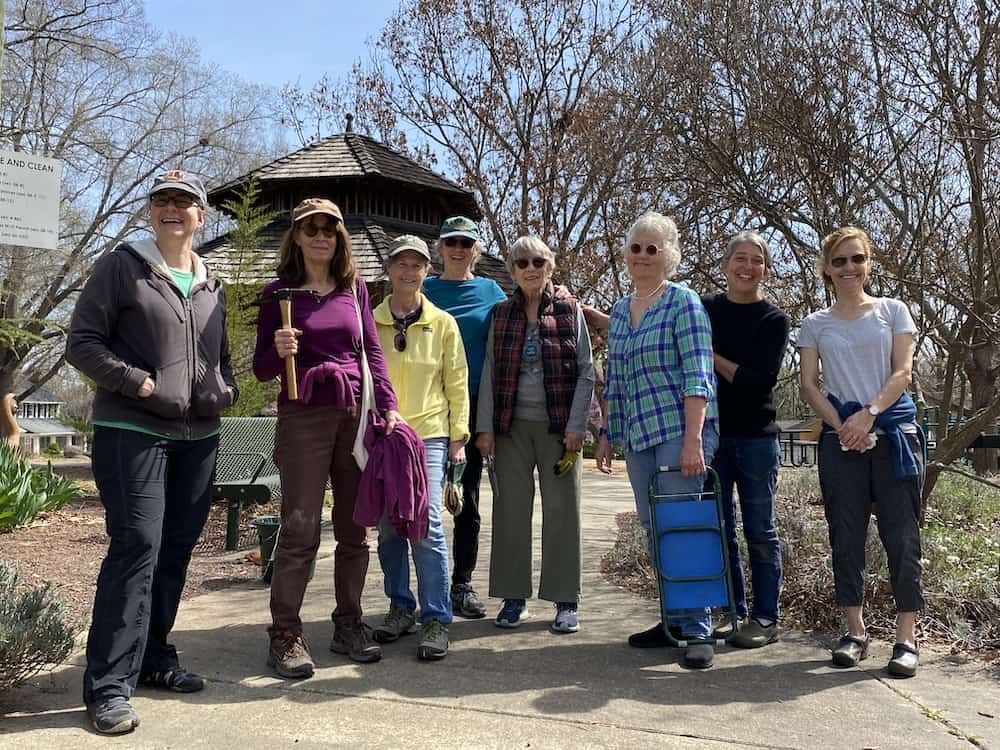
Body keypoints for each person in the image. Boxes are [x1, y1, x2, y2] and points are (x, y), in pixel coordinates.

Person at [66, 170, 237, 734]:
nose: (173, 209)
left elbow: (221, 360)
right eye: (163, 200)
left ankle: (154, 658)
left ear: (201, 216)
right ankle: (108, 685)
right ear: (150, 211)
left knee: (175, 549)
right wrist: (138, 383)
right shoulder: (123, 267)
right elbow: (82, 343)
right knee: (136, 544)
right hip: (132, 431)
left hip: (200, 437)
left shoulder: (212, 284)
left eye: (185, 203)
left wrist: (225, 390)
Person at [253, 198, 401, 677]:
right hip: (303, 415)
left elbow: (372, 352)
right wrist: (279, 349)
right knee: (300, 527)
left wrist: (389, 407)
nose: (321, 236)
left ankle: (348, 623)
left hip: (355, 414)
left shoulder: (354, 288)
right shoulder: (278, 293)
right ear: (296, 236)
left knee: (355, 526)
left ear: (340, 237)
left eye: (329, 229)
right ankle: (285, 633)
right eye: (311, 228)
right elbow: (261, 370)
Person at [594, 211, 720, 669]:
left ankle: (700, 628)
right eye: (636, 248)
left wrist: (693, 441)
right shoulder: (620, 313)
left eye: (653, 248)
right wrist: (609, 433)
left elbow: (697, 375)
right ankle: (673, 621)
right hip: (638, 436)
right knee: (652, 530)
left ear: (669, 255)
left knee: (684, 524)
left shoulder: (683, 302)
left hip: (678, 432)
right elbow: (617, 382)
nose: (643, 256)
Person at [798, 226, 924, 678]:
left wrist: (868, 416)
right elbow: (810, 385)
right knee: (845, 535)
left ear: (869, 263)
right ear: (827, 269)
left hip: (892, 435)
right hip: (841, 439)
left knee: (902, 537)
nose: (849, 268)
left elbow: (903, 372)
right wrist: (843, 426)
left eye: (857, 259)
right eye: (839, 261)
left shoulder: (893, 311)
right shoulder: (815, 324)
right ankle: (854, 630)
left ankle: (906, 637)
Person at [476, 236, 595, 633]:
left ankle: (566, 600)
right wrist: (486, 428)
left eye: (538, 261)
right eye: (522, 262)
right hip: (511, 428)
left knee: (563, 513)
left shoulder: (570, 310)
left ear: (551, 266)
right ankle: (514, 599)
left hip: (559, 429)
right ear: (512, 270)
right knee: (511, 511)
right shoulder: (501, 314)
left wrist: (578, 425)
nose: (531, 268)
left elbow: (586, 369)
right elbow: (490, 371)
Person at [371, 235, 470, 660]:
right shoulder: (368, 320)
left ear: (427, 272)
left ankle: (436, 617)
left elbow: (458, 383)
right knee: (390, 525)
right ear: (389, 270)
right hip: (382, 435)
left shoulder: (443, 323)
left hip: (429, 435)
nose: (408, 272)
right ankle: (400, 606)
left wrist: (459, 438)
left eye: (417, 265)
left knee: (426, 522)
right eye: (401, 264)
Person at [701, 231, 790, 649]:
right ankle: (730, 612)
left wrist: (710, 356)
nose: (747, 266)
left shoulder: (774, 320)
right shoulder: (703, 309)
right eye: (740, 258)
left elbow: (758, 383)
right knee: (718, 528)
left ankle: (765, 618)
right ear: (724, 265)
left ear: (765, 270)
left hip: (756, 438)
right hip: (712, 436)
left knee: (760, 531)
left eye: (757, 260)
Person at [423, 216, 507, 618]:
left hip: (470, 408)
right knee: (420, 501)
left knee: (466, 499)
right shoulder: (424, 288)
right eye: (451, 241)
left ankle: (462, 583)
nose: (458, 248)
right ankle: (426, 588)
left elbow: (524, 312)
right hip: (425, 406)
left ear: (476, 248)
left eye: (466, 242)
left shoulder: (490, 290)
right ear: (440, 247)